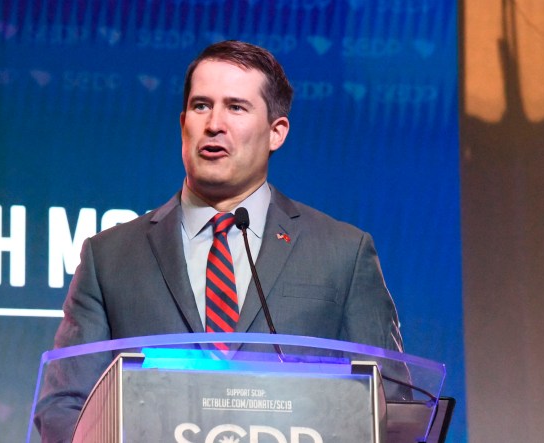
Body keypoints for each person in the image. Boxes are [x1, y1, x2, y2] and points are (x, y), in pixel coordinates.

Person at [34, 40, 405, 442]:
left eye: (236, 107)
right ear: (183, 124)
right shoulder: (109, 258)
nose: (214, 124)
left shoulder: (342, 253)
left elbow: (393, 402)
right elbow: (64, 407)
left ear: (276, 132)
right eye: (201, 106)